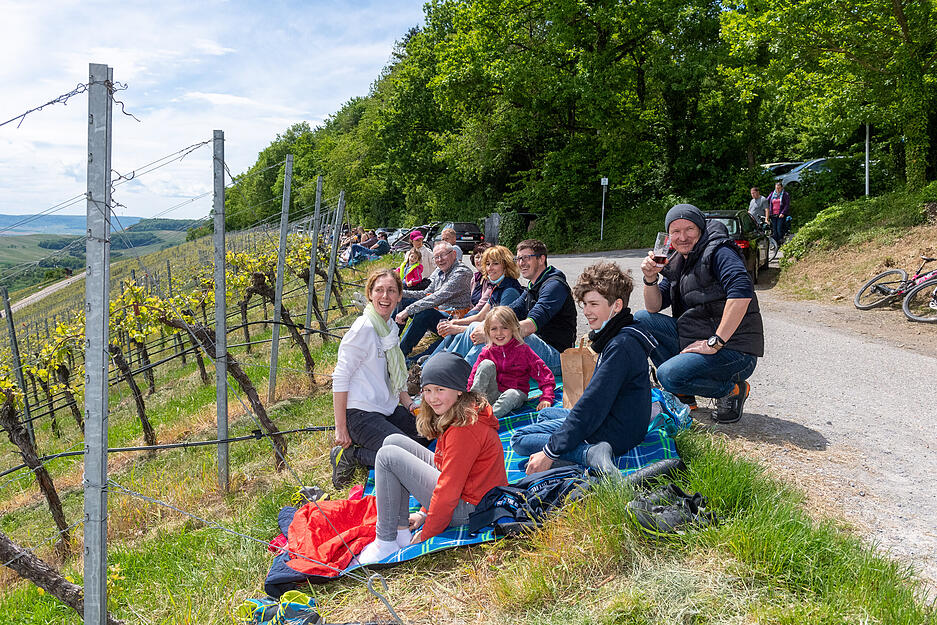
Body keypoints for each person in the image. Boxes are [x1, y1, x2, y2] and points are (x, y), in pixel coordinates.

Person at [356, 352, 508, 564]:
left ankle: (386, 540)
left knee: (387, 456)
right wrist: (423, 513)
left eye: (440, 389)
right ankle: (401, 531)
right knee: (393, 442)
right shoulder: (461, 410)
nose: (432, 398)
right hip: (469, 493)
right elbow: (445, 468)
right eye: (427, 390)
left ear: (458, 390)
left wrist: (428, 531)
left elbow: (448, 488)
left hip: (470, 507)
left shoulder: (464, 429)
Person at [511, 262, 657, 476]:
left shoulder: (621, 345)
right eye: (584, 305)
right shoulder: (622, 332)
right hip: (622, 420)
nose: (587, 312)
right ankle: (578, 450)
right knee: (545, 416)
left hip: (616, 432)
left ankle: (590, 454)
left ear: (616, 306)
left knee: (519, 440)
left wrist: (550, 452)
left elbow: (592, 404)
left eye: (593, 304)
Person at [635, 203, 764, 423]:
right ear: (669, 236)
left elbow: (742, 294)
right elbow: (654, 307)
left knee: (668, 375)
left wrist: (715, 342)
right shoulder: (679, 261)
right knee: (641, 320)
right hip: (697, 339)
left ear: (701, 229)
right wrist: (650, 279)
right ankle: (684, 394)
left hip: (735, 351)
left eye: (689, 230)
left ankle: (730, 390)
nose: (682, 237)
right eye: (676, 231)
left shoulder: (720, 251)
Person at [330, 269, 427, 488]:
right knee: (406, 458)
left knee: (427, 435)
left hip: (387, 408)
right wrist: (341, 428)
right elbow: (340, 377)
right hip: (361, 414)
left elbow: (394, 373)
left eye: (391, 291)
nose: (385, 296)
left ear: (400, 296)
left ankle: (372, 451)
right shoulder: (363, 329)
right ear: (370, 294)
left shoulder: (389, 327)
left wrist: (408, 403)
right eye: (379, 290)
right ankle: (352, 455)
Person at [467, 306, 554, 418]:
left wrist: (546, 396)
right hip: (494, 392)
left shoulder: (523, 350)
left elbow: (542, 373)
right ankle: (472, 406)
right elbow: (474, 376)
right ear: (488, 332)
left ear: (513, 329)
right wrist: (468, 395)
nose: (499, 333)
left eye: (505, 328)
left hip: (515, 393)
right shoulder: (487, 352)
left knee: (511, 394)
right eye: (494, 329)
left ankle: (488, 418)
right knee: (485, 364)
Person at [433, 245, 523, 352]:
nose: (490, 268)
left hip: (505, 344)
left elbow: (499, 329)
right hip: (489, 333)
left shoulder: (509, 291)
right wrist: (454, 323)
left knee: (459, 334)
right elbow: (480, 316)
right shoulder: (498, 287)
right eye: (488, 264)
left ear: (506, 265)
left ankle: (440, 363)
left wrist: (458, 328)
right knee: (456, 334)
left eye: (495, 263)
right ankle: (432, 362)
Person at [395, 242, 474, 358]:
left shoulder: (462, 272)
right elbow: (425, 293)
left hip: (454, 318)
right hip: (439, 315)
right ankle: (390, 342)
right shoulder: (439, 271)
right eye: (436, 257)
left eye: (443, 255)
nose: (439, 260)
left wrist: (408, 310)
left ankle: (400, 355)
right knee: (402, 300)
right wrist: (400, 294)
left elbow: (437, 297)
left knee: (424, 312)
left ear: (454, 254)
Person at [468, 242, 493, 307]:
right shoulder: (475, 278)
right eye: (477, 257)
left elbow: (482, 304)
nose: (479, 260)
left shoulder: (492, 278)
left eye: (483, 257)